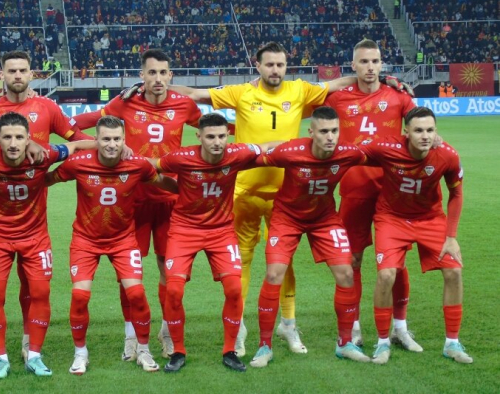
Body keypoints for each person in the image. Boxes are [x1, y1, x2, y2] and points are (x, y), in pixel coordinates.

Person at [170, 42, 359, 356]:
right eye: (269, 65)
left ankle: (288, 323)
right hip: (243, 190)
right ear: (257, 66)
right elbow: (195, 94)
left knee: (284, 263)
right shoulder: (241, 92)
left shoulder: (300, 90)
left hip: (286, 195)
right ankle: (239, 326)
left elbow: (337, 84)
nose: (275, 70)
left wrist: (383, 79)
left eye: (280, 65)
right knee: (241, 260)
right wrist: (154, 87)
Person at [0, 50, 92, 368]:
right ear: (2, 75)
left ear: (32, 74)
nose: (18, 75)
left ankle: (27, 342)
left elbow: (77, 140)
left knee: (31, 285)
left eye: (23, 70)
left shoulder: (47, 107)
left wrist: (57, 172)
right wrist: (9, 144)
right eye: (12, 71)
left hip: (34, 216)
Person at [73, 49, 201, 362]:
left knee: (170, 271)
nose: (157, 78)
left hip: (170, 199)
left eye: (163, 72)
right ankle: (131, 336)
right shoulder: (125, 103)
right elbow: (83, 122)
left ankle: (167, 332)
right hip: (132, 200)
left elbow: (212, 130)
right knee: (128, 275)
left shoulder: (184, 105)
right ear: (141, 75)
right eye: (151, 72)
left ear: (170, 76)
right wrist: (87, 142)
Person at [48, 115, 177, 375]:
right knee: (79, 296)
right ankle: (80, 354)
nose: (111, 144)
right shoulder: (78, 163)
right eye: (106, 139)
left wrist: (187, 188)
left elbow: (161, 181)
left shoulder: (137, 164)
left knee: (136, 294)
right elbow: (49, 179)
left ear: (124, 140)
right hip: (85, 241)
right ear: (96, 140)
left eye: (117, 139)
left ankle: (143, 349)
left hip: (123, 240)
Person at [248, 107, 370, 367]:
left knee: (346, 273)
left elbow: (385, 153)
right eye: (324, 131)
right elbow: (254, 159)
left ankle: (345, 343)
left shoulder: (348, 153)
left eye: (334, 131)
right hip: (287, 218)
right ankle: (264, 346)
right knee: (274, 274)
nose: (330, 137)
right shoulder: (290, 151)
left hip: (324, 219)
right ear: (311, 132)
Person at [157, 113, 278, 373]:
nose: (217, 142)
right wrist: (173, 187)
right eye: (211, 137)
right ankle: (178, 352)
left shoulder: (237, 154)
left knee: (234, 288)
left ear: (228, 136)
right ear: (199, 136)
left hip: (221, 231)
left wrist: (305, 145)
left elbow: (268, 146)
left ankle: (230, 351)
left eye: (222, 136)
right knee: (174, 290)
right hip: (184, 230)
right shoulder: (181, 158)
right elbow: (152, 168)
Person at [324, 39, 419, 351]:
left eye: (375, 61)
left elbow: (422, 127)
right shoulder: (336, 98)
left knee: (397, 262)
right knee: (352, 259)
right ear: (353, 65)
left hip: (393, 189)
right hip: (354, 188)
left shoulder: (398, 96)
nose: (370, 67)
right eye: (363, 61)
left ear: (382, 64)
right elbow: (302, 103)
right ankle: (352, 326)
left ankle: (400, 328)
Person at [358, 107, 472, 365]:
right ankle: (382, 342)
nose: (425, 136)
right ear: (406, 132)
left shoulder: (448, 155)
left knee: (454, 272)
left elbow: (456, 194)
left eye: (430, 130)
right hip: (392, 218)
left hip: (430, 219)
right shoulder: (387, 148)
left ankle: (452, 343)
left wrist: (451, 237)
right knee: (386, 275)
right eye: (419, 130)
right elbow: (353, 153)